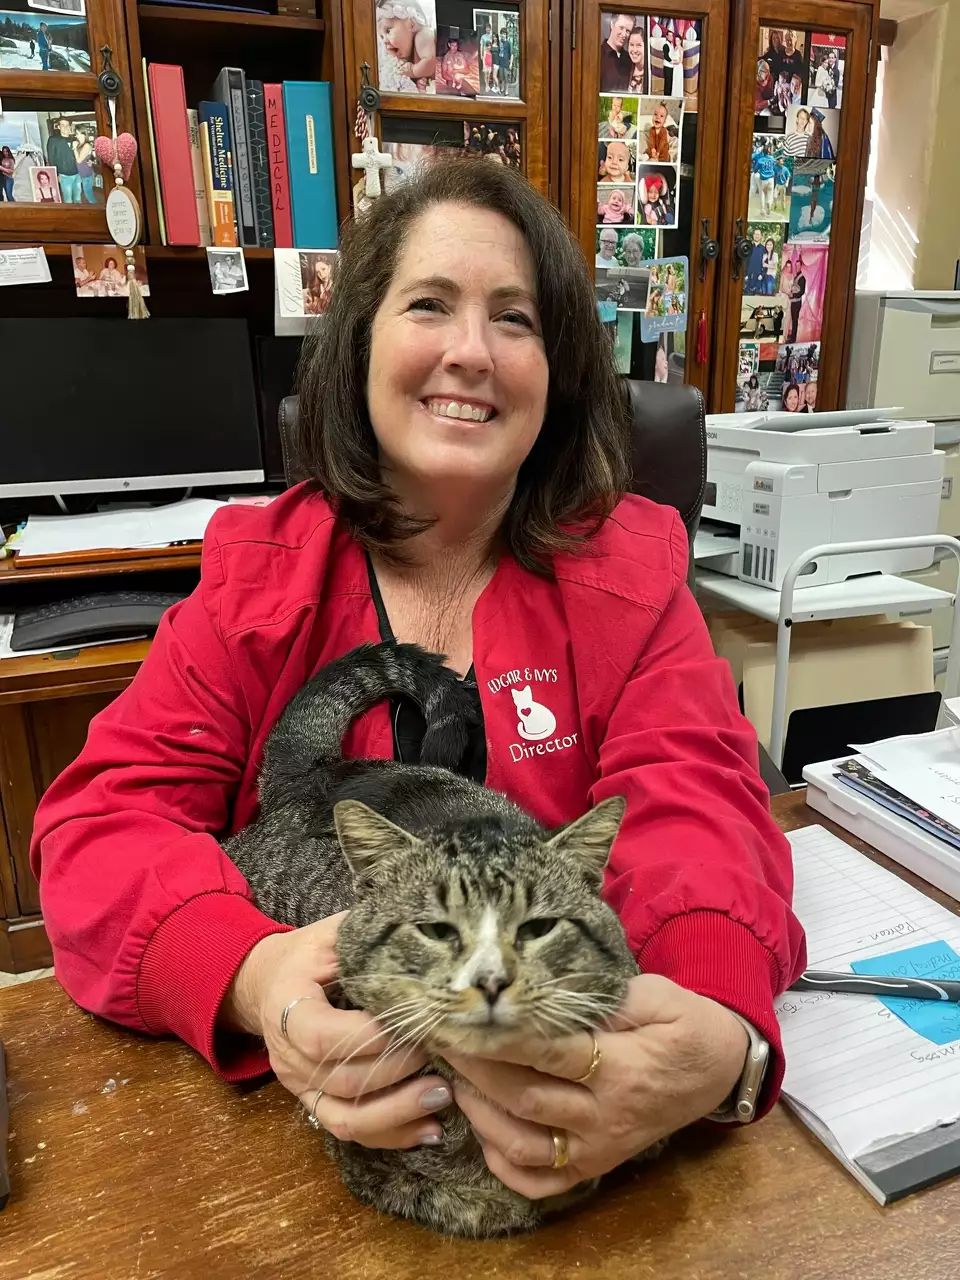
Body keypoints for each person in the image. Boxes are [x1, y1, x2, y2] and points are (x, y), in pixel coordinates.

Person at [32, 158, 804, 1188]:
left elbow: (700, 797)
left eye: (516, 319)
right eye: (429, 304)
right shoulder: (260, 578)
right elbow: (99, 828)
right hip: (316, 1150)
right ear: (356, 349)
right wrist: (252, 975)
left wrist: (718, 1027)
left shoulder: (629, 568)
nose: (472, 352)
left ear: (559, 369)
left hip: (587, 1133)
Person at [376, 0, 436, 93]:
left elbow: (431, 62)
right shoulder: (407, 48)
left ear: (412, 24)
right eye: (382, 36)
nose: (384, 40)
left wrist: (413, 71)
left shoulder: (423, 35)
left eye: (388, 31)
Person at [46, 117, 81, 202]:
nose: (65, 127)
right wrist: (56, 174)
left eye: (67, 125)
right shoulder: (53, 140)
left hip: (77, 174)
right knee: (68, 200)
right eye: (62, 125)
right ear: (58, 127)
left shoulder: (75, 139)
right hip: (64, 175)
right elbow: (51, 158)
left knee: (78, 199)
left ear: (70, 126)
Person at [600, 12, 633, 91]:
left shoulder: (629, 59)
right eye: (621, 28)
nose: (624, 34)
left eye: (628, 31)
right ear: (612, 25)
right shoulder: (598, 54)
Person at [74, 125, 95, 204]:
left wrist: (74, 148)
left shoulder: (86, 145)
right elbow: (91, 157)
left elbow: (79, 160)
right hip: (79, 173)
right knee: (79, 194)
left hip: (86, 173)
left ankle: (97, 211)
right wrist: (91, 160)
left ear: (84, 134)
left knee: (89, 196)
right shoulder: (79, 144)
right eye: (76, 133)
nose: (77, 136)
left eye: (79, 133)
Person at [744, 226, 765, 294]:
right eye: (755, 234)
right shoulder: (748, 247)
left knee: (756, 299)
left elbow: (766, 264)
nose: (757, 236)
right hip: (748, 277)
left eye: (758, 234)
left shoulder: (764, 249)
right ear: (753, 235)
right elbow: (745, 262)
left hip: (758, 277)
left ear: (761, 236)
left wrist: (762, 275)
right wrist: (745, 275)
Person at [626, 27, 645, 93]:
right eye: (631, 45)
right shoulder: (624, 71)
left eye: (639, 45)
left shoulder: (651, 74)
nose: (634, 50)